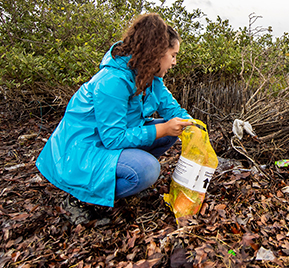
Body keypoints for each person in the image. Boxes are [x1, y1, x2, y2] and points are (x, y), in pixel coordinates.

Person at [37, 13, 193, 209]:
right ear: (156, 52)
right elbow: (113, 138)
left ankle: (122, 178)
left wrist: (195, 127)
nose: (174, 62)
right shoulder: (112, 81)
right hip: (81, 151)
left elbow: (172, 110)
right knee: (148, 170)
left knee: (172, 130)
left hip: (106, 142)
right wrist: (163, 129)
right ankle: (82, 198)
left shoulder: (150, 77)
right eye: (173, 55)